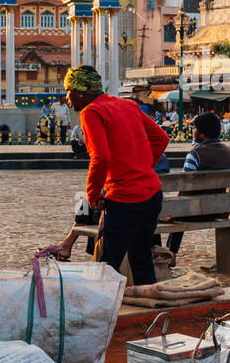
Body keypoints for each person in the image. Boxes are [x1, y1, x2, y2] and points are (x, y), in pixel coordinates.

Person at [65, 65, 169, 286]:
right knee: (142, 260)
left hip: (125, 200)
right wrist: (142, 167)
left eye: (69, 90)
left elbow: (100, 157)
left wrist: (93, 195)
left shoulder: (90, 112)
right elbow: (161, 138)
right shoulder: (128, 105)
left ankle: (104, 315)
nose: (67, 98)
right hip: (152, 195)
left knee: (106, 266)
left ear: (82, 92)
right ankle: (149, 312)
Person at [164, 111, 230, 260]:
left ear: (203, 134)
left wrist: (173, 214)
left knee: (178, 207)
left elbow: (185, 188)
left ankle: (171, 253)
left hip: (193, 213)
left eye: (195, 128)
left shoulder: (194, 155)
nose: (193, 131)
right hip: (218, 210)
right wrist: (226, 211)